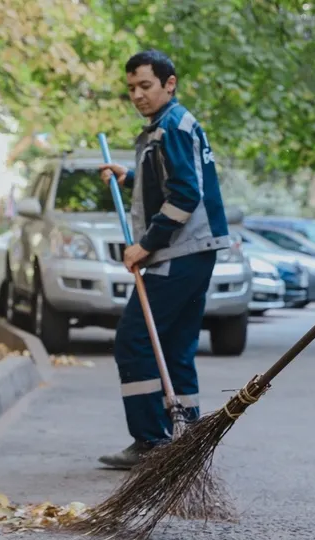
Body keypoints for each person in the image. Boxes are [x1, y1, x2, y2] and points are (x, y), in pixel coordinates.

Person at [96, 49, 231, 469]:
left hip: (179, 252)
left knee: (133, 341)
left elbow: (185, 196)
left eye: (146, 86)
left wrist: (146, 245)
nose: (137, 95)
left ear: (169, 84)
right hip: (196, 252)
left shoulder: (169, 127)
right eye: (131, 88)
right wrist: (129, 177)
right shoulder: (170, 125)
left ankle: (151, 441)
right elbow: (170, 180)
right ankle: (186, 441)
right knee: (175, 346)